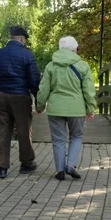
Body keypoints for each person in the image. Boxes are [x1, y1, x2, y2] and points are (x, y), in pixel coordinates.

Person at [36, 36, 97, 181]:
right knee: (76, 136)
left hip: (56, 109)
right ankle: (70, 165)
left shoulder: (51, 66)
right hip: (77, 109)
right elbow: (88, 90)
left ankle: (59, 170)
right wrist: (90, 108)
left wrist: (40, 105)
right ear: (74, 49)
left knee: (58, 140)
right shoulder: (83, 66)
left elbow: (44, 89)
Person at [0, 26, 40, 179]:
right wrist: (36, 95)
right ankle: (26, 163)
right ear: (21, 39)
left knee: (2, 131)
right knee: (24, 131)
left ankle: (2, 167)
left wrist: (0, 88)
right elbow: (33, 79)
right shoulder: (27, 55)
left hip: (1, 95)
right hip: (20, 96)